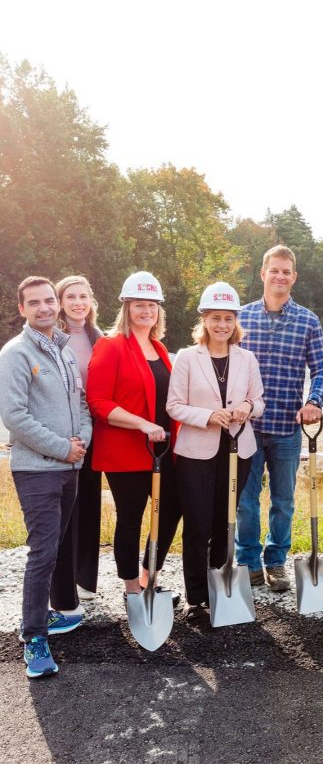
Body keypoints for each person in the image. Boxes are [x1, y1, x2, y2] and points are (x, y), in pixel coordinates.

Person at [0, 276, 91, 679]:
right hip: (37, 470)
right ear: (22, 309)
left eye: (49, 300)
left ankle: (43, 618)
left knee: (54, 546)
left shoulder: (65, 351)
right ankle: (34, 635)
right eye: (34, 303)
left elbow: (82, 405)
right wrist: (61, 447)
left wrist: (81, 443)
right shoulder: (16, 353)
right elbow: (14, 417)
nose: (44, 308)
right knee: (43, 552)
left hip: (70, 466)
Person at [167, 282, 265, 620]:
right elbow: (174, 406)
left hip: (239, 450)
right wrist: (208, 416)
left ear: (235, 320)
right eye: (214, 318)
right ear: (204, 321)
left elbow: (259, 401)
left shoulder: (247, 358)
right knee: (197, 523)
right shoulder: (186, 358)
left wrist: (247, 406)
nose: (221, 325)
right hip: (197, 453)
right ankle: (196, 597)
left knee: (225, 522)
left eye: (227, 318)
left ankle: (220, 588)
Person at [236, 245, 323, 592]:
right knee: (245, 501)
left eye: (286, 272)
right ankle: (247, 560)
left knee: (284, 500)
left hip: (287, 428)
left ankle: (276, 561)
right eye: (274, 270)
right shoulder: (240, 318)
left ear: (294, 277)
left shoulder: (307, 320)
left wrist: (314, 400)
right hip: (245, 428)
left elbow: (321, 368)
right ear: (263, 274)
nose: (280, 276)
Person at [87, 271, 182, 602]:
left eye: (152, 306)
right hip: (126, 451)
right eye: (139, 305)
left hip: (162, 449)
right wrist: (141, 424)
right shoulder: (110, 345)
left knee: (170, 510)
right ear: (126, 308)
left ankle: (148, 577)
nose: (147, 312)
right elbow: (98, 402)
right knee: (131, 517)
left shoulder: (159, 348)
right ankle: (131, 589)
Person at [55, 275, 103, 602]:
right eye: (70, 296)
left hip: (94, 432)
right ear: (60, 302)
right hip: (61, 433)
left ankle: (86, 578)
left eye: (83, 296)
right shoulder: (51, 338)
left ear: (91, 301)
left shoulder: (100, 338)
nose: (77, 302)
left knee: (89, 501)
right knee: (63, 507)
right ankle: (62, 578)